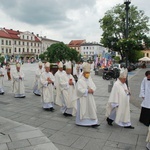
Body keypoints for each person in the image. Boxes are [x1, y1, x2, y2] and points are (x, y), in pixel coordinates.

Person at [75, 62, 100, 127]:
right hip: (83, 98)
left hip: (90, 98)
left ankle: (93, 122)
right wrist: (86, 91)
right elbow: (78, 90)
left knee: (92, 109)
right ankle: (82, 122)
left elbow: (94, 86)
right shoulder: (80, 81)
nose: (87, 75)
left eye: (88, 73)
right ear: (83, 73)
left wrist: (92, 90)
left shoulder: (89, 79)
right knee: (84, 110)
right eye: (86, 73)